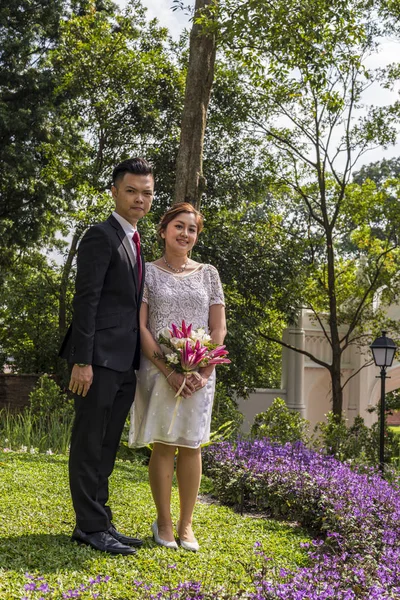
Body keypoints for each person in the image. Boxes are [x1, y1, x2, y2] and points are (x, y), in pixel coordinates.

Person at [59, 157, 154, 556]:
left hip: (124, 361)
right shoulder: (100, 236)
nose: (139, 199)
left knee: (107, 444)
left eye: (146, 192)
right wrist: (82, 360)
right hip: (96, 361)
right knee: (89, 443)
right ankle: (89, 527)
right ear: (114, 192)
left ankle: (101, 519)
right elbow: (87, 301)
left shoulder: (133, 240)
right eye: (131, 190)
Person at [128, 202, 227, 551]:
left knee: (191, 444)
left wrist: (204, 370)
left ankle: (187, 526)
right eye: (179, 227)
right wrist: (170, 371)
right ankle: (164, 523)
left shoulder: (208, 274)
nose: (185, 234)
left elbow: (218, 328)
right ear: (163, 230)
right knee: (165, 444)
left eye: (192, 229)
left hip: (200, 374)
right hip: (159, 370)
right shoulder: (148, 272)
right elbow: (141, 326)